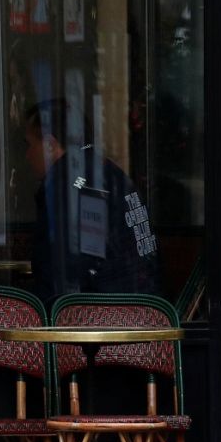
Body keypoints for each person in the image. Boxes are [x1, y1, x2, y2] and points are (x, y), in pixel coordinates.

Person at [23, 99, 159, 303]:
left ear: (50, 145)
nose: (27, 155)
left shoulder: (65, 185)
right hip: (144, 310)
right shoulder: (110, 172)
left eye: (29, 145)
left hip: (100, 318)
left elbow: (61, 274)